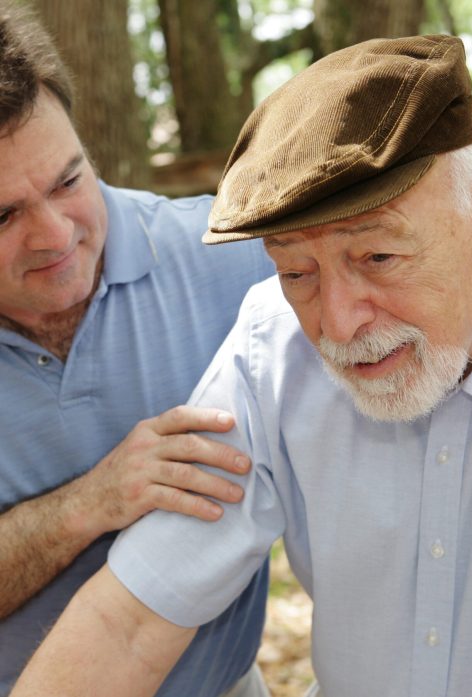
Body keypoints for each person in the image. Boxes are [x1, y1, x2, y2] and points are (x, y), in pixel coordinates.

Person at [11, 33, 472, 697]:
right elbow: (126, 623)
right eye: (296, 271)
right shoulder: (270, 344)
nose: (337, 325)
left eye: (378, 258)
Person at [0, 3, 276, 696]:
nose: (55, 235)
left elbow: (446, 229)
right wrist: (86, 503)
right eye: (2, 215)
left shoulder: (218, 253)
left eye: (68, 180)